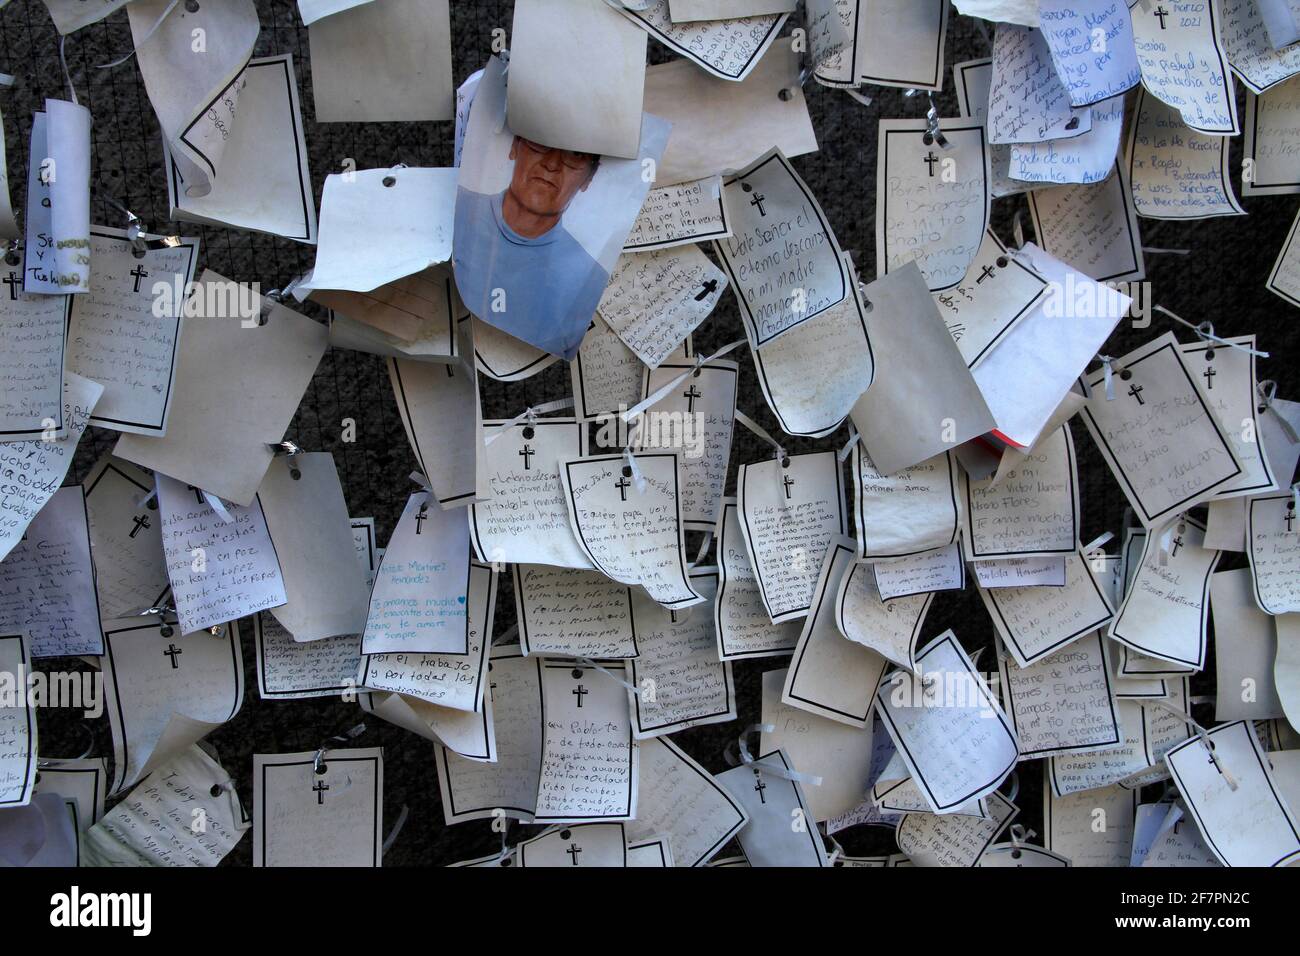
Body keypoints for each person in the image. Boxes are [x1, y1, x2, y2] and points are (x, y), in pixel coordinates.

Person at [453, 136, 609, 360]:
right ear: (515, 146)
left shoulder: (593, 283)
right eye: (541, 141)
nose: (552, 164)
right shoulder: (453, 209)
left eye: (575, 155)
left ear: (589, 178)